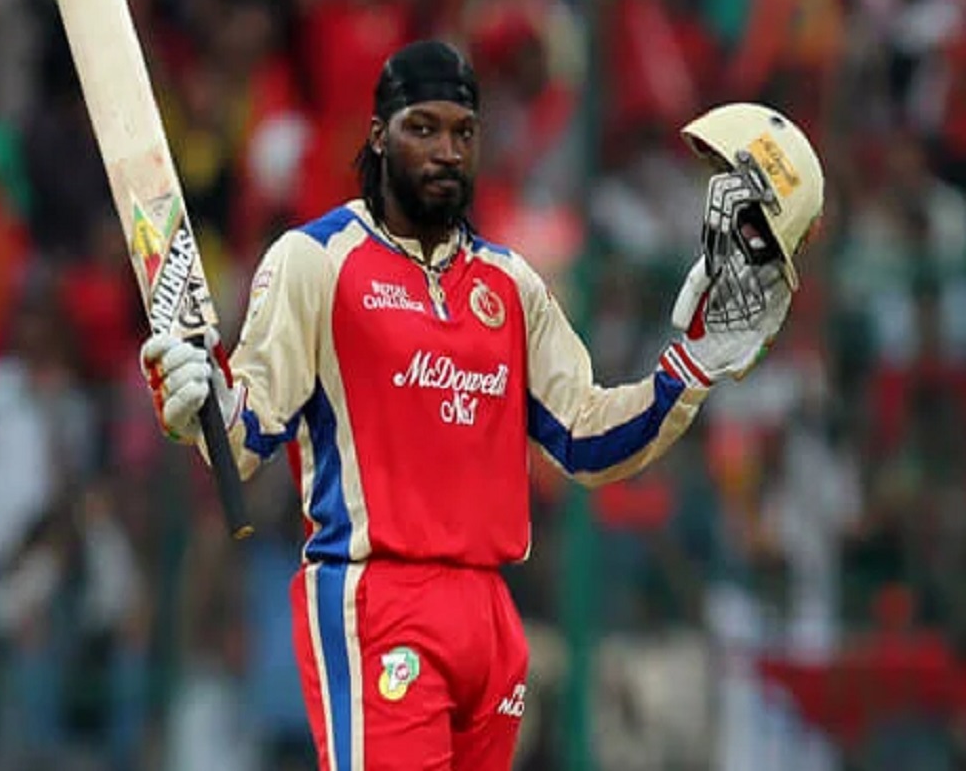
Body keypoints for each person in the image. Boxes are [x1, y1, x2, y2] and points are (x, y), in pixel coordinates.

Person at [140, 40, 824, 771]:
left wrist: (689, 369)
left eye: (462, 132)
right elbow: (243, 437)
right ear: (379, 137)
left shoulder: (512, 285)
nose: (446, 151)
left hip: (491, 617)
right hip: (379, 598)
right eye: (423, 128)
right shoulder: (315, 261)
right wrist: (196, 401)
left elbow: (586, 441)